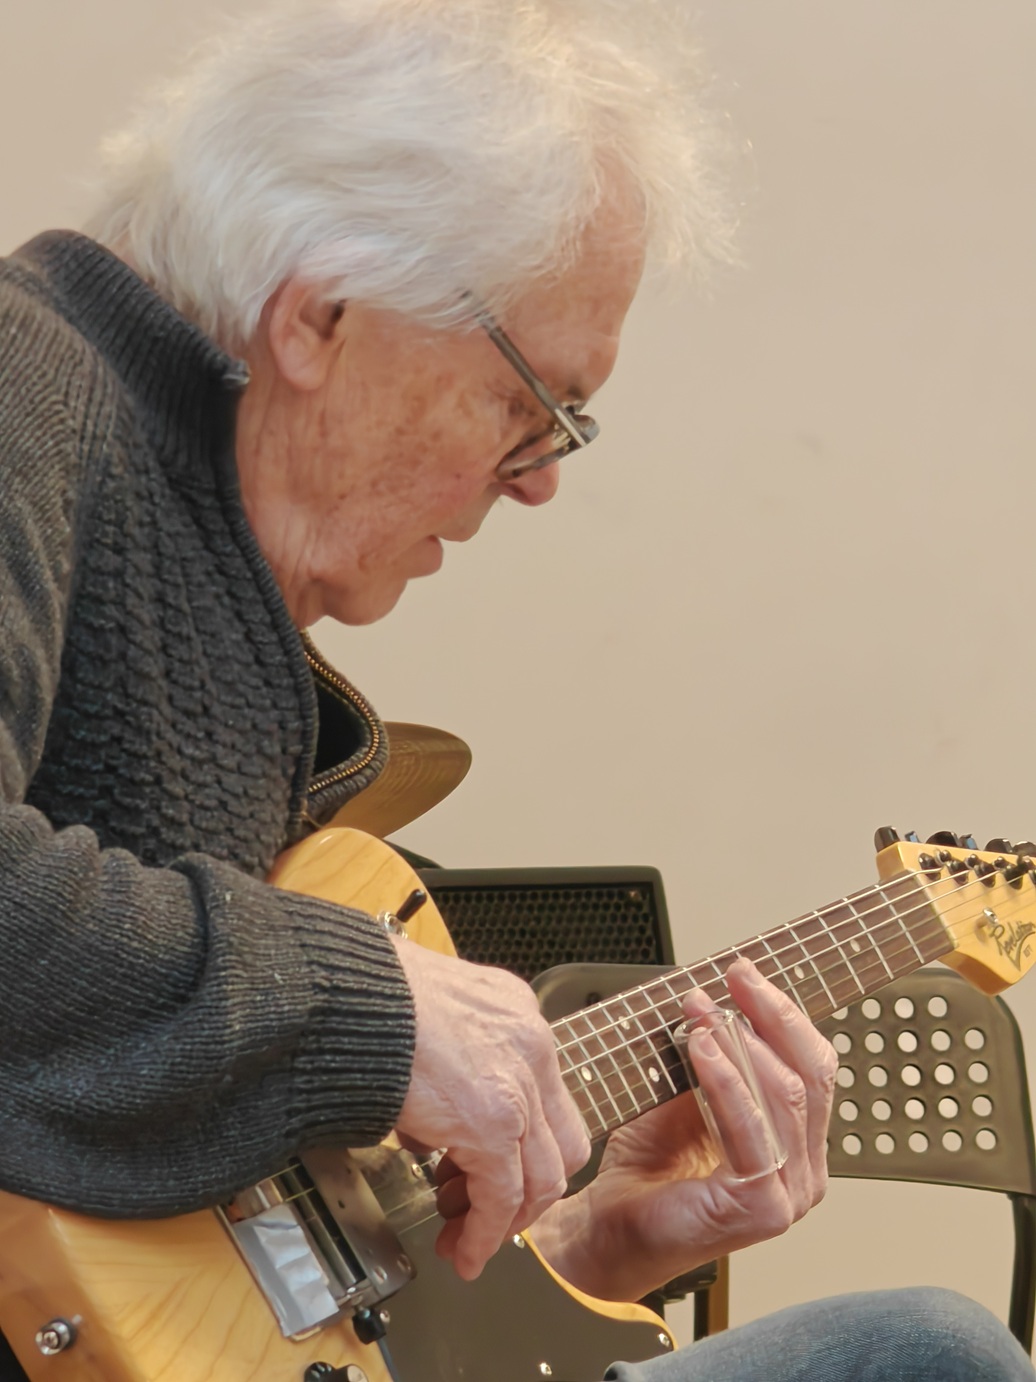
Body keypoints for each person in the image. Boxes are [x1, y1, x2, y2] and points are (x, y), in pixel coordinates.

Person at [0, 1, 1031, 1378]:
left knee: (917, 1345)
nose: (541, 478)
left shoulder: (209, 549)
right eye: (533, 402)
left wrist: (596, 1244)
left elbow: (229, 1244)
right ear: (323, 314)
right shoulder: (25, 390)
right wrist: (386, 1009)